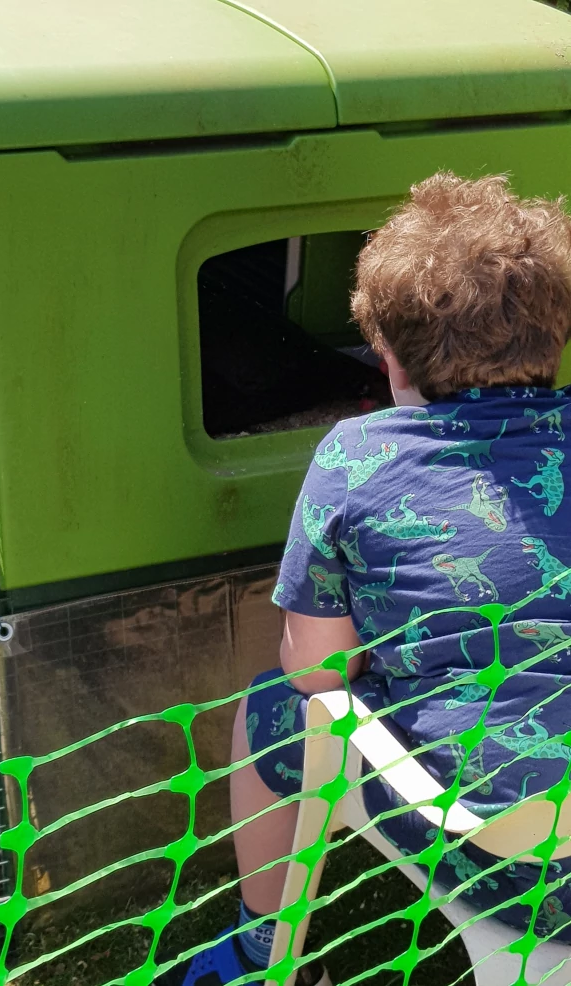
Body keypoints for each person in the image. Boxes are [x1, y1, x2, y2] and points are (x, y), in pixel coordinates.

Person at [165, 173, 571, 986]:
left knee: (274, 710)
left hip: (502, 860)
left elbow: (318, 672)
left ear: (389, 361)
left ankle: (264, 951)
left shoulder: (354, 458)